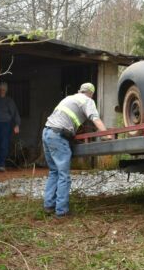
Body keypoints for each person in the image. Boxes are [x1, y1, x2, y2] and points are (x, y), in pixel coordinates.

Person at [42, 82, 110, 217]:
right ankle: (61, 211)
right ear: (91, 93)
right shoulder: (87, 101)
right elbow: (95, 119)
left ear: (80, 90)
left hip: (47, 132)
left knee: (54, 171)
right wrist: (106, 134)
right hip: (58, 136)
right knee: (63, 174)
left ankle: (49, 206)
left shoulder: (69, 98)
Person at [0, 82, 20, 172]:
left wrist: (17, 124)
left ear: (6, 91)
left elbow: (15, 113)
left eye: (4, 90)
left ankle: (1, 164)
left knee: (3, 144)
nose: (2, 91)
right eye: (0, 89)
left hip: (5, 124)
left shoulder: (9, 101)